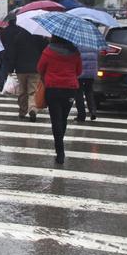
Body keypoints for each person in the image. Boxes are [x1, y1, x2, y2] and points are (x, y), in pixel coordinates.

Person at [37, 36, 82, 164]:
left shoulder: (48, 51)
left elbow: (40, 68)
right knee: (63, 118)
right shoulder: (75, 52)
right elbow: (79, 71)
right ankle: (60, 144)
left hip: (53, 89)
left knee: (55, 119)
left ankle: (60, 151)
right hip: (70, 89)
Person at [9, 27, 49, 121]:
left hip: (20, 68)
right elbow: (45, 51)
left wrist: (10, 68)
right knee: (33, 91)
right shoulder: (39, 38)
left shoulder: (18, 37)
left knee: (22, 91)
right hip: (35, 68)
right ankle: (32, 109)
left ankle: (22, 111)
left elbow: (12, 53)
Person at [75, 47, 98, 122]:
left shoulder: (76, 42)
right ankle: (93, 111)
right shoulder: (93, 42)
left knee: (78, 93)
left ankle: (81, 115)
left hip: (79, 71)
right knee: (89, 91)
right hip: (91, 71)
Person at [0, 18, 22, 92]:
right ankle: (19, 87)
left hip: (6, 53)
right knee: (19, 71)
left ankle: (1, 86)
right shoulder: (18, 30)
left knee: (3, 70)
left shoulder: (4, 31)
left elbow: (1, 41)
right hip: (17, 53)